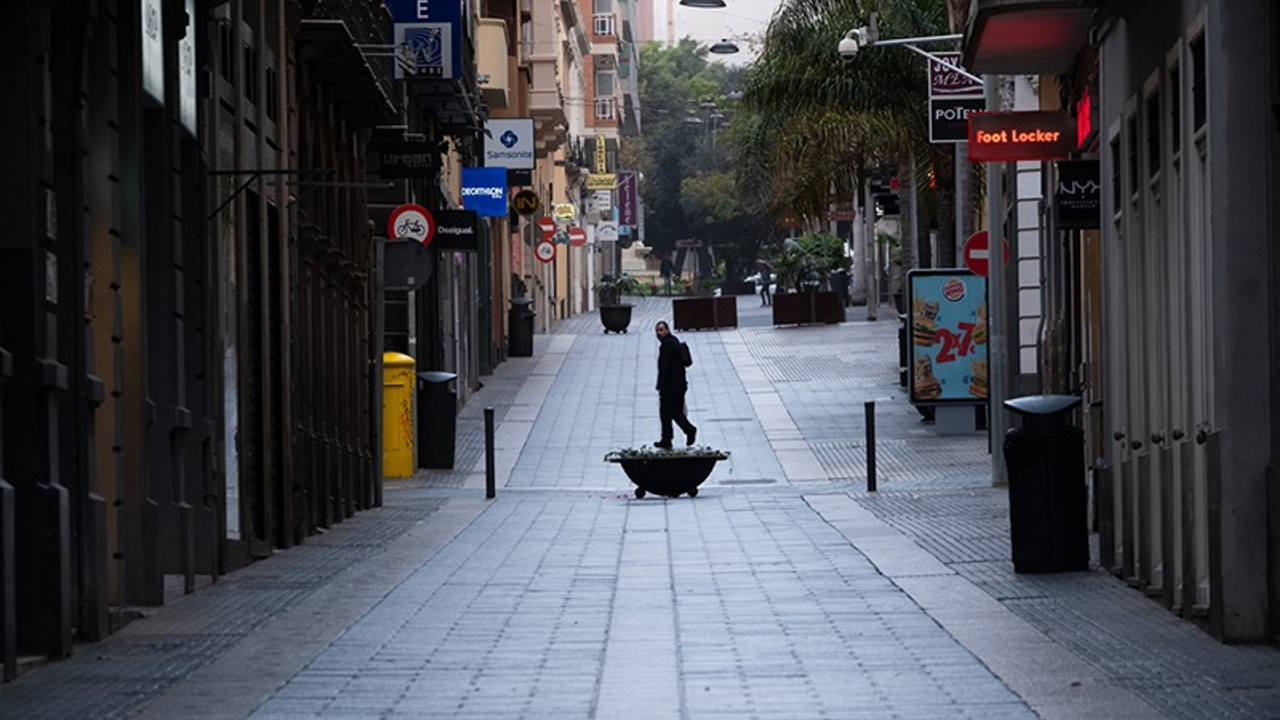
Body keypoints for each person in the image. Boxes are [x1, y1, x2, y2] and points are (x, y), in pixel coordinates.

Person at [654, 321, 696, 449]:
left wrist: (660, 385)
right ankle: (666, 439)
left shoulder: (667, 345)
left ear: (667, 330)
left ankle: (689, 430)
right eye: (657, 330)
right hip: (678, 385)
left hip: (672, 386)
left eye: (661, 330)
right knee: (666, 413)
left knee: (673, 412)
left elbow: (664, 367)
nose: (659, 333)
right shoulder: (674, 341)